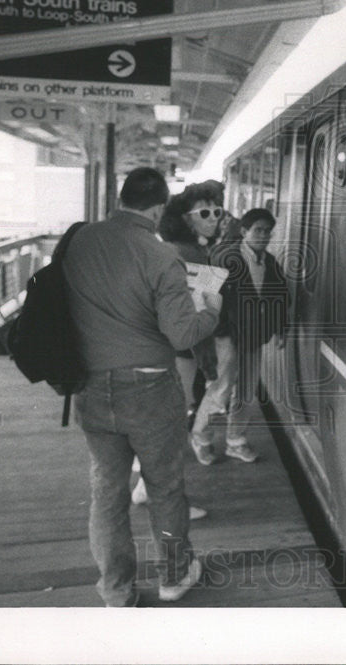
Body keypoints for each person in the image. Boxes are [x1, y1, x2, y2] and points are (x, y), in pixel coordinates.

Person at [63, 167, 222, 606]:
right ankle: (173, 576)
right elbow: (182, 335)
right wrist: (211, 308)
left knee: (107, 493)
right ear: (157, 209)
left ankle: (116, 591)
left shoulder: (81, 241)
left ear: (122, 198)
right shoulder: (158, 255)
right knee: (165, 488)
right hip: (150, 392)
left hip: (92, 388)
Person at [129, 180, 231, 498]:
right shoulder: (188, 254)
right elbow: (194, 313)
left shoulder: (177, 249)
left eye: (217, 211)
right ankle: (154, 490)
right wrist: (208, 357)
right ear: (185, 219)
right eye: (204, 212)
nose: (213, 217)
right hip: (180, 350)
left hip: (165, 347)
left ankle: (147, 481)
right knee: (174, 418)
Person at [191, 208, 288, 464]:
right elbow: (205, 296)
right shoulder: (224, 256)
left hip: (254, 336)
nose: (264, 235)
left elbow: (280, 297)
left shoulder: (269, 263)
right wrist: (218, 332)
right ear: (244, 232)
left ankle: (235, 441)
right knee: (221, 390)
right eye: (258, 230)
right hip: (226, 337)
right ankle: (200, 438)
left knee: (246, 391)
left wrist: (280, 328)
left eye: (267, 231)